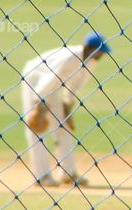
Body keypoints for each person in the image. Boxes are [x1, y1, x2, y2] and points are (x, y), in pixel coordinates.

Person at [20, 32, 111, 187]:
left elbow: (74, 87)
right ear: (89, 48)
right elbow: (49, 79)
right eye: (100, 51)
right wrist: (39, 107)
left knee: (63, 125)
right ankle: (42, 176)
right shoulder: (69, 57)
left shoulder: (91, 61)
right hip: (34, 80)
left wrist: (67, 110)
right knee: (37, 128)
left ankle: (68, 173)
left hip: (52, 85)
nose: (102, 55)